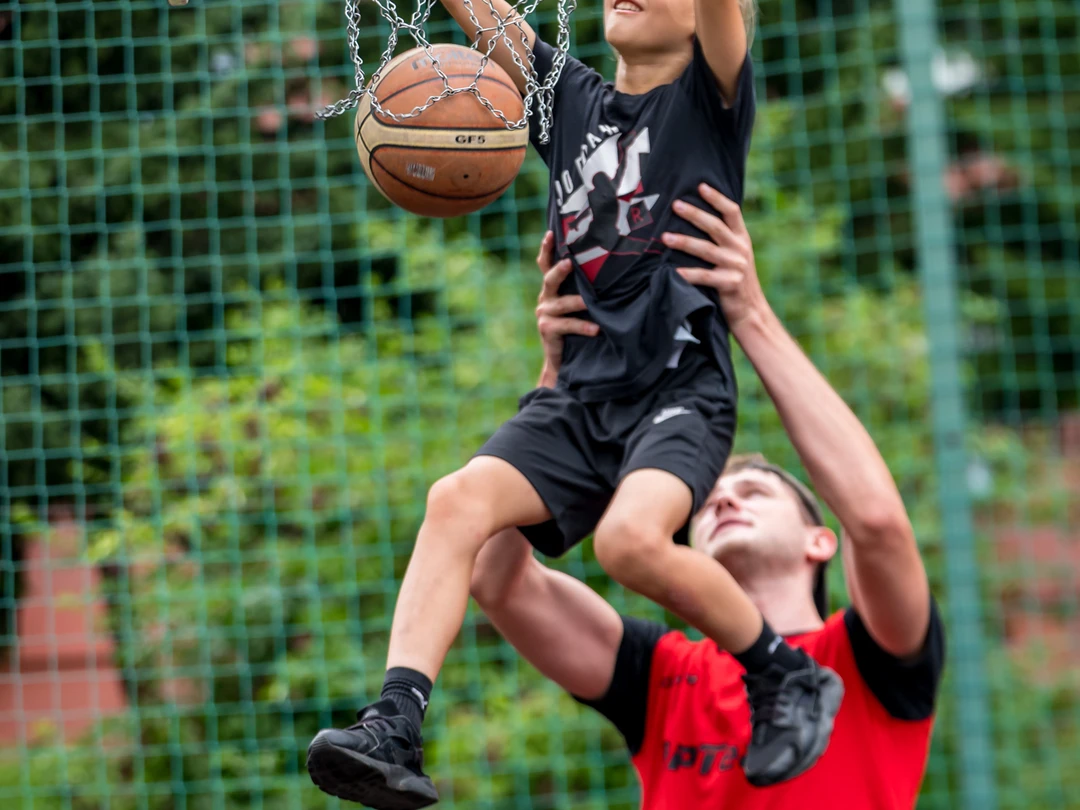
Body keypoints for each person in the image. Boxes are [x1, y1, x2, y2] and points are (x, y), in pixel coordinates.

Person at [306, 0, 842, 804]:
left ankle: (782, 674)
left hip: (678, 388)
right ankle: (396, 722)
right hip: (582, 394)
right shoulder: (565, 98)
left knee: (630, 542)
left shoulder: (709, 98)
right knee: (456, 502)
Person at [469, 186, 946, 808]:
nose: (722, 500)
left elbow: (877, 521)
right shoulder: (662, 674)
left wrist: (748, 313)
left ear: (819, 540)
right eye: (708, 497)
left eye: (755, 489)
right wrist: (561, 383)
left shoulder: (863, 661)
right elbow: (496, 580)